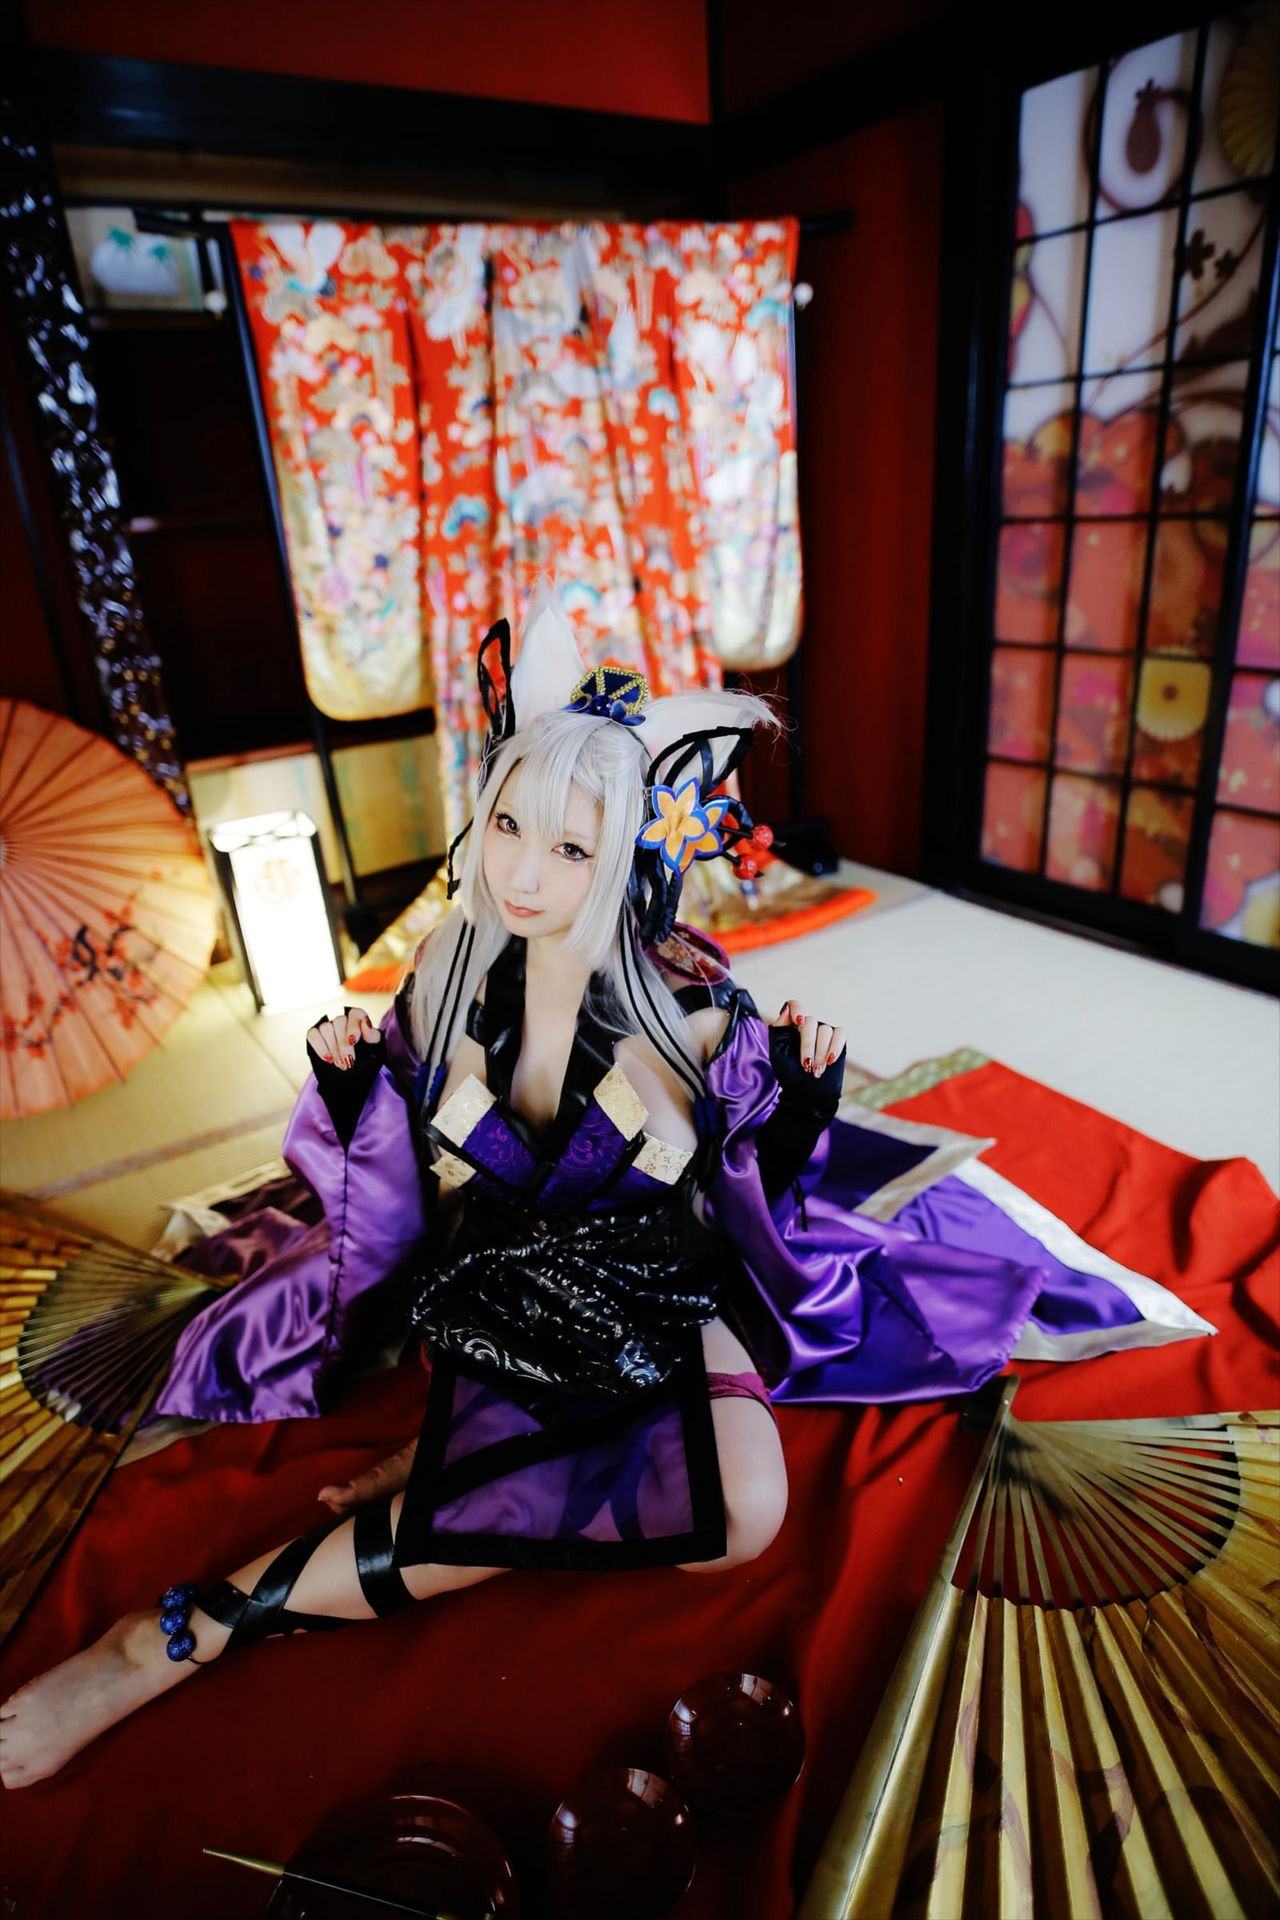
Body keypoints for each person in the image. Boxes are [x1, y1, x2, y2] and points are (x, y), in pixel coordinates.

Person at [0, 595, 1212, 1788]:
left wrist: (793, 1106)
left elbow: (744, 1201)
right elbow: (401, 1196)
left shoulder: (692, 1003)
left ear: (628, 851)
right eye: (506, 826)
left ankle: (456, 1480)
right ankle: (169, 1640)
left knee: (741, 1514)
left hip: (668, 1286)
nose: (522, 874)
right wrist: (361, 1100)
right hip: (503, 1289)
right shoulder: (444, 973)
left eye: (570, 848)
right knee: (572, 1493)